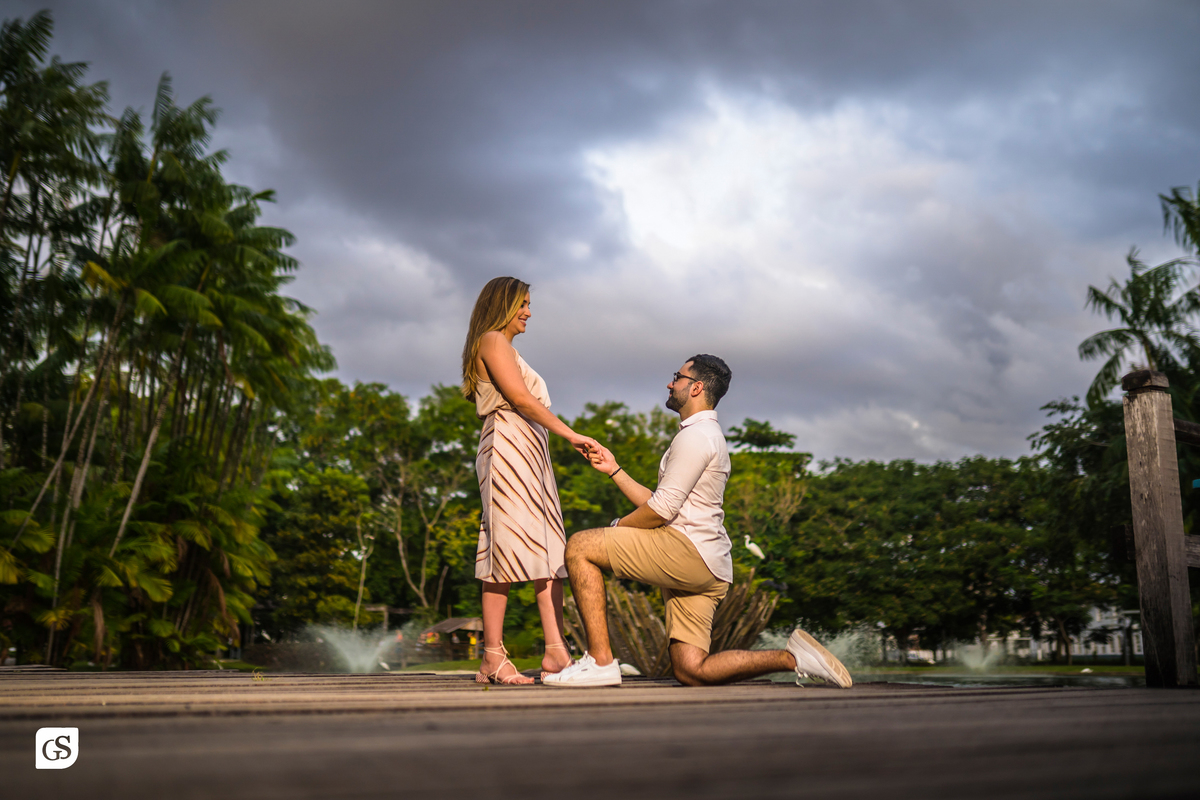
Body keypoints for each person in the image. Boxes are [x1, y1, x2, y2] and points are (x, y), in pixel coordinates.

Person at [544, 355, 852, 688]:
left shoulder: (696, 437)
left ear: (696, 387)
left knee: (580, 546)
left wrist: (618, 527)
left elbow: (661, 511)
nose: (670, 383)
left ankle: (600, 662)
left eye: (677, 376)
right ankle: (793, 658)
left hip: (687, 551)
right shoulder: (703, 436)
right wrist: (615, 471)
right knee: (692, 670)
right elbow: (666, 504)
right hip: (708, 565)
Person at [462, 277, 599, 685]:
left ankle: (556, 651)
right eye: (522, 303)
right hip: (507, 447)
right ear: (503, 305)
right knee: (502, 551)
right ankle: (492, 657)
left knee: (548, 550)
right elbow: (521, 400)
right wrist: (572, 435)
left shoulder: (506, 346)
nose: (529, 312)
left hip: (528, 452)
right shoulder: (492, 340)